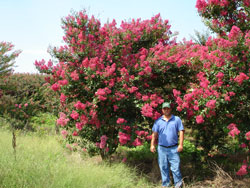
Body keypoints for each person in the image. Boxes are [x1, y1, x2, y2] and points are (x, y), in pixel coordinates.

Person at [150, 101, 184, 188]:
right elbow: (154, 134)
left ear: (170, 109)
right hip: (162, 148)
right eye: (164, 108)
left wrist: (180, 145)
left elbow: (181, 131)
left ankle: (178, 185)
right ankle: (166, 185)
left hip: (174, 148)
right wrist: (152, 145)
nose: (166, 110)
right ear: (162, 110)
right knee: (163, 167)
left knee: (175, 167)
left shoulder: (176, 119)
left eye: (168, 108)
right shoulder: (158, 121)